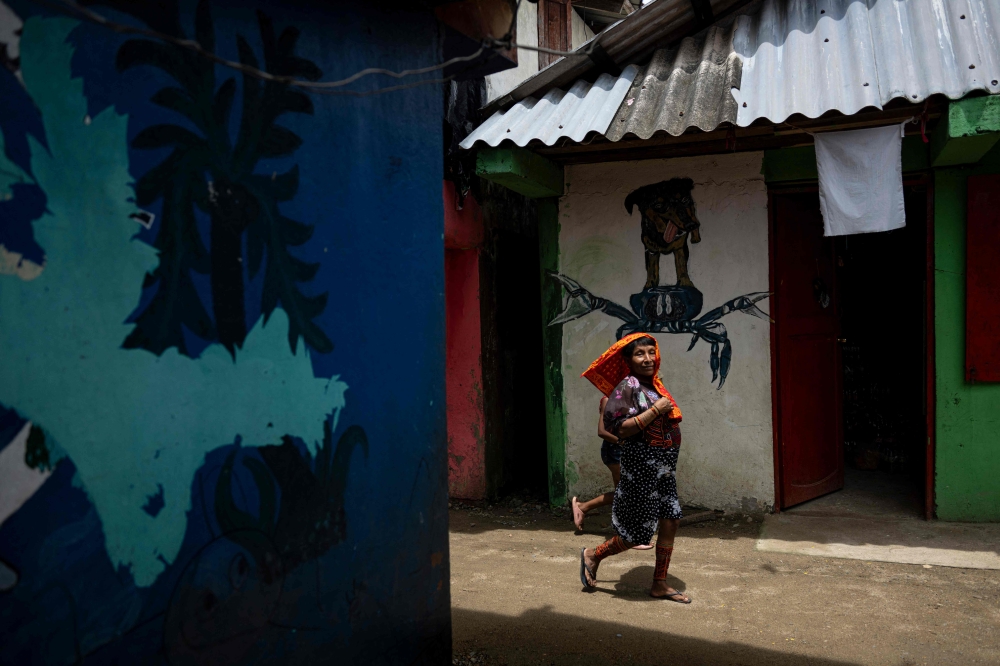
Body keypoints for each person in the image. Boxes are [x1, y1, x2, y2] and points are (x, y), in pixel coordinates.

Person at [577, 333, 691, 603]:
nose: (648, 358)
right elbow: (618, 429)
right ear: (628, 359)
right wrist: (655, 411)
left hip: (664, 469)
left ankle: (659, 583)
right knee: (637, 533)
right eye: (640, 353)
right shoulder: (626, 387)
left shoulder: (655, 385)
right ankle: (593, 554)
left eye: (651, 352)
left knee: (671, 519)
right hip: (640, 470)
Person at [570, 396, 653, 550]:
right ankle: (627, 536)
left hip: (627, 451)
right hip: (615, 452)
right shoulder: (608, 400)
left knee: (624, 493)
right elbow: (602, 431)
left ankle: (583, 507)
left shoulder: (632, 398)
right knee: (626, 493)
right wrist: (622, 441)